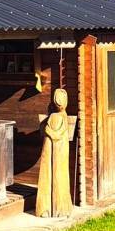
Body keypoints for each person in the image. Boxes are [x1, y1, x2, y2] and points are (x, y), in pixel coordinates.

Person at [35, 89, 73, 217]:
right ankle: (45, 208)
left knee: (58, 174)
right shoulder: (53, 117)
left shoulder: (62, 117)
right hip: (50, 149)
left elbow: (58, 133)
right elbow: (46, 129)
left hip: (60, 151)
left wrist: (50, 133)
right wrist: (49, 132)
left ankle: (60, 208)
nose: (59, 105)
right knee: (48, 174)